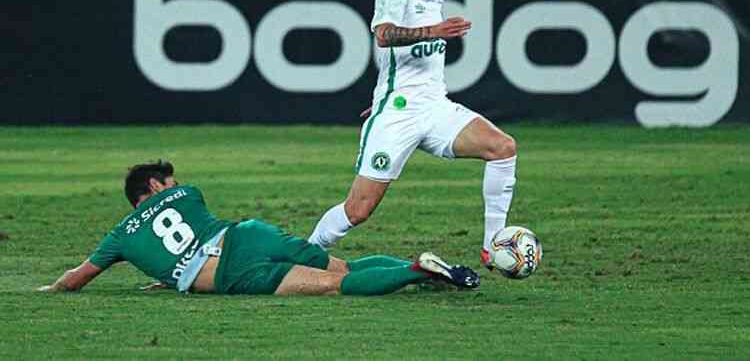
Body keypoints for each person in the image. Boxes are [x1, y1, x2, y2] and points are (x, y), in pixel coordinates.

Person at [308, 0, 518, 269]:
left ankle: (493, 245)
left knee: (503, 147)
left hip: (435, 109)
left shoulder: (434, 1)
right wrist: (433, 33)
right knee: (358, 210)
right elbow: (384, 35)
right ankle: (306, 252)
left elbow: (408, 65)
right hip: (397, 116)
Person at [37, 160, 479, 296]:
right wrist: (168, 275)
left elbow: (75, 281)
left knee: (331, 287)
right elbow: (182, 234)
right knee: (344, 266)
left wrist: (49, 291)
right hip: (249, 232)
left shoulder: (120, 236)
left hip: (232, 271)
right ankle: (423, 269)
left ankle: (417, 271)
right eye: (166, 180)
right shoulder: (188, 194)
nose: (174, 183)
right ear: (154, 186)